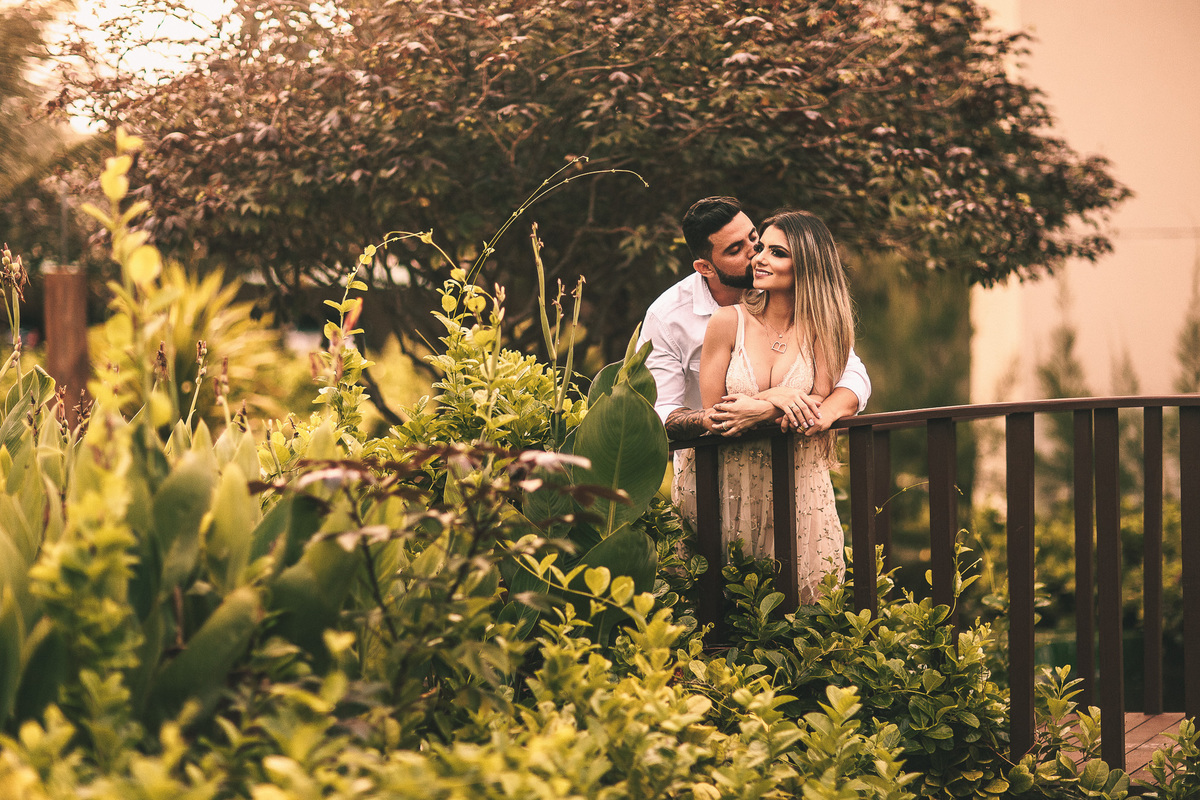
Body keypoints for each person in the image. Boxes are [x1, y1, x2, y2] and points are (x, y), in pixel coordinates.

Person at [636, 197, 869, 524]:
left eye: (755, 240)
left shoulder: (789, 299)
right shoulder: (668, 318)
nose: (754, 255)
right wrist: (729, 414)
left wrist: (813, 411)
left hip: (794, 477)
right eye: (735, 250)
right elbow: (659, 413)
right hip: (716, 474)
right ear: (705, 267)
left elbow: (852, 375)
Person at [697, 209, 855, 602]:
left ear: (808, 267)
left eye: (777, 252)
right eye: (761, 248)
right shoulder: (726, 322)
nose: (759, 258)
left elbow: (821, 400)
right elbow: (715, 413)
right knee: (726, 618)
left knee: (806, 621)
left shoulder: (825, 328)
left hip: (798, 487)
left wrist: (767, 407)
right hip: (729, 485)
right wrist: (777, 397)